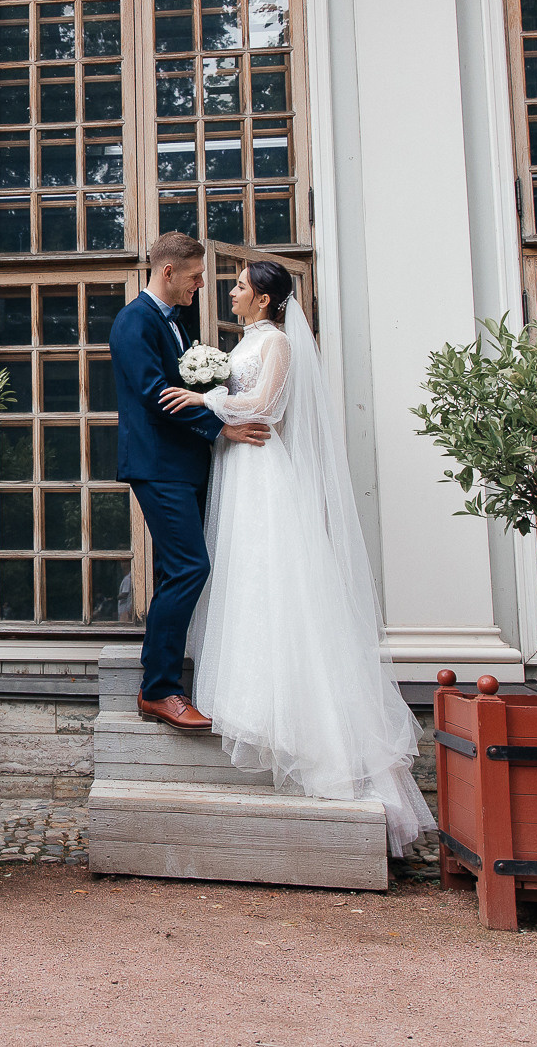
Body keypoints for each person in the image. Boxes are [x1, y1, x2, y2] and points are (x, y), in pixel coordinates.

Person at [159, 260, 434, 854]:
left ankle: (307, 726)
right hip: (237, 469)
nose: (229, 291)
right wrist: (212, 395)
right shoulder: (246, 340)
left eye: (236, 285)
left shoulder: (278, 342)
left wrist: (206, 400)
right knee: (244, 578)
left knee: (273, 576)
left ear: (260, 297)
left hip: (262, 472)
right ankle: (249, 694)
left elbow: (267, 407)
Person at [111, 232, 273, 732]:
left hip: (188, 464)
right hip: (157, 465)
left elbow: (192, 386)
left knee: (175, 571)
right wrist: (220, 426)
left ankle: (168, 677)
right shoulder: (133, 322)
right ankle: (159, 688)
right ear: (168, 272)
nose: (203, 285)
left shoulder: (176, 321)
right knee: (189, 568)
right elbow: (156, 393)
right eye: (196, 276)